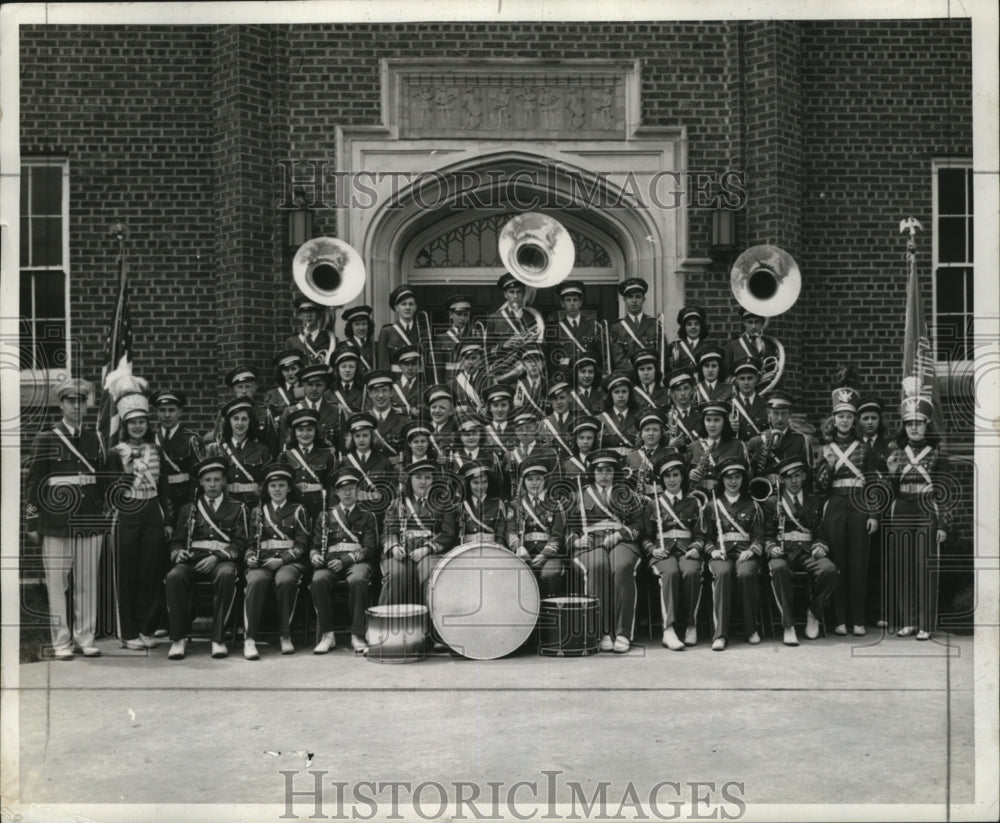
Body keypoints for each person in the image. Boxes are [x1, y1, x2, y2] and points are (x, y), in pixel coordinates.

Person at [25, 379, 105, 659]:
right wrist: (32, 522)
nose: (76, 406)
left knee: (87, 583)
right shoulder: (46, 438)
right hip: (56, 522)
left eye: (81, 401)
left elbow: (101, 480)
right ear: (61, 404)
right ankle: (61, 642)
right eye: (70, 401)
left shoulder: (95, 438)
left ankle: (85, 638)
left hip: (90, 520)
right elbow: (34, 483)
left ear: (86, 405)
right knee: (57, 583)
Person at [105, 368, 174, 651]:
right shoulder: (115, 453)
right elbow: (109, 490)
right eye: (132, 423)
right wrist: (129, 470)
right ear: (124, 423)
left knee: (150, 572)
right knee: (128, 573)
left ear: (148, 424)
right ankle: (128, 630)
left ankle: (147, 628)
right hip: (127, 513)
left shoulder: (155, 450)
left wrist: (168, 519)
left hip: (152, 513)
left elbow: (165, 486)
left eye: (142, 422)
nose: (137, 427)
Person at [165, 457, 249, 660]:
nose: (212, 484)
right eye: (208, 480)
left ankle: (218, 639)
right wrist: (178, 553)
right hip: (193, 560)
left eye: (217, 479)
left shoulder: (238, 507)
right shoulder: (188, 509)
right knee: (174, 576)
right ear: (201, 482)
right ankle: (178, 638)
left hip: (222, 561)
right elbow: (177, 541)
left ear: (224, 482)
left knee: (227, 575)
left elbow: (242, 542)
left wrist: (218, 557)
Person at [813, 386, 879, 637]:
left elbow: (873, 484)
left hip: (859, 504)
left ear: (855, 420)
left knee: (858, 564)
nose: (844, 420)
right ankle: (839, 619)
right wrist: (827, 466)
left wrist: (873, 514)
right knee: (838, 563)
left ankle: (858, 619)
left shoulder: (864, 447)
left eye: (849, 416)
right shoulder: (826, 448)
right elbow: (820, 488)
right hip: (836, 506)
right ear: (833, 418)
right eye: (840, 415)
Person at [884, 396, 951, 641]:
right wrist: (891, 474)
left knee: (924, 566)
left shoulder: (937, 454)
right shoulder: (895, 453)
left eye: (919, 423)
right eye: (909, 422)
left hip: (926, 508)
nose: (914, 427)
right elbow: (889, 492)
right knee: (903, 565)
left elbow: (944, 491)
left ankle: (925, 624)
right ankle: (909, 621)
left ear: (927, 425)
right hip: (902, 507)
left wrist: (942, 523)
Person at [565, 450, 645, 654]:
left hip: (621, 540)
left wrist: (620, 534)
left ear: (614, 472)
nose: (604, 475)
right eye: (599, 470)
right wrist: (576, 540)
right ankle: (601, 632)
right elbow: (566, 530)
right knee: (597, 566)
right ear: (593, 472)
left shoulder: (626, 494)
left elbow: (639, 524)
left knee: (622, 566)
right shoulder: (579, 496)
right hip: (590, 543)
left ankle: (623, 633)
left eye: (608, 470)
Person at [762, 456, 838, 646]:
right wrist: (771, 548)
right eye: (788, 477)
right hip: (783, 552)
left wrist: (820, 545)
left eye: (797, 476)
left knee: (829, 570)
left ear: (804, 476)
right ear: (782, 480)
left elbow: (820, 532)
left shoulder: (814, 501)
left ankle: (814, 612)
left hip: (807, 552)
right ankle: (788, 626)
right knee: (778, 569)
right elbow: (767, 534)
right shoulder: (773, 502)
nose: (793, 481)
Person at [243, 464, 309, 659]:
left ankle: (285, 635)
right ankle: (249, 639)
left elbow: (301, 545)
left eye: (282, 485)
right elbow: (251, 544)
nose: (277, 489)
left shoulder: (298, 510)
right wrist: (250, 557)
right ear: (267, 489)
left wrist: (282, 560)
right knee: (254, 582)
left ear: (289, 488)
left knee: (285, 581)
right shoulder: (258, 511)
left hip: (288, 562)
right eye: (273, 486)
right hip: (263, 561)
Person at [642, 452, 706, 650]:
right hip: (663, 552)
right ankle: (668, 629)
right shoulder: (653, 504)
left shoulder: (694, 502)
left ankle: (690, 624)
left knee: (692, 572)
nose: (672, 480)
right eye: (667, 476)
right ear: (661, 480)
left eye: (676, 475)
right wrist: (652, 550)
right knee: (669, 573)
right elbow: (644, 536)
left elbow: (701, 535)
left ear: (682, 477)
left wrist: (696, 548)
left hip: (687, 551)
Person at [310, 467, 379, 654]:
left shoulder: (368, 516)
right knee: (318, 580)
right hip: (330, 562)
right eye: (343, 489)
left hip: (357, 562)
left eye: (352, 488)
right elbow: (315, 545)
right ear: (337, 492)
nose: (348, 492)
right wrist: (314, 555)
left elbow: (370, 548)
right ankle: (327, 635)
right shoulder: (325, 516)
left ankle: (357, 635)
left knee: (358, 580)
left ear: (358, 491)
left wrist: (346, 559)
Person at [702, 456, 765, 651]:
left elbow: (760, 536)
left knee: (746, 574)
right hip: (721, 554)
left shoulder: (753, 505)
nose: (733, 481)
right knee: (721, 573)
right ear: (722, 480)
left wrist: (751, 550)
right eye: (728, 477)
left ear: (742, 479)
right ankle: (720, 634)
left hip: (745, 553)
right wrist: (712, 552)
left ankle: (751, 629)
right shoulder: (712, 505)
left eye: (737, 477)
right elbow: (703, 537)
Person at [380, 458, 458, 606]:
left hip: (430, 553)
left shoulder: (443, 502)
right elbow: (388, 531)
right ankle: (387, 623)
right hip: (402, 552)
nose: (423, 482)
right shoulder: (398, 503)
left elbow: (448, 533)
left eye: (428, 477)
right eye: (418, 477)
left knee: (428, 572)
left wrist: (427, 549)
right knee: (396, 574)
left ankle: (429, 623)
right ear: (410, 480)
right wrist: (394, 547)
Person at [857, 396, 894, 628]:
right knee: (859, 560)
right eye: (865, 418)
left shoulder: (889, 445)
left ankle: (879, 611)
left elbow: (893, 477)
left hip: (882, 508)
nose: (869, 422)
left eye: (873, 418)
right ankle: (858, 611)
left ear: (880, 421)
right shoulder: (853, 443)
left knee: (879, 560)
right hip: (856, 506)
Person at [506, 460, 568, 598]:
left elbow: (558, 535)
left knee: (550, 574)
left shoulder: (556, 504)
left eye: (539, 479)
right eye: (530, 479)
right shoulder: (515, 505)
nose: (534, 483)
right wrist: (518, 547)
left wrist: (545, 554)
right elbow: (511, 531)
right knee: (519, 577)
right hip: (525, 553)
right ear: (523, 481)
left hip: (550, 555)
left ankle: (551, 616)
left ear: (545, 480)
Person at [207, 397, 273, 509]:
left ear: (250, 422)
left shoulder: (262, 450)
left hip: (253, 505)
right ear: (229, 422)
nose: (240, 423)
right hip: (225, 505)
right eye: (235, 419)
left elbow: (268, 482)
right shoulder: (216, 449)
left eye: (244, 419)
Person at [278, 407, 337, 522]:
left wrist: (330, 510)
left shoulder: (327, 456)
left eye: (309, 429)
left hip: (319, 509)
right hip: (293, 508)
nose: (305, 434)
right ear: (294, 432)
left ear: (316, 431)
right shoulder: (285, 456)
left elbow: (331, 487)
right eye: (300, 430)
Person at [746, 390, 813, 487]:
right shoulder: (757, 441)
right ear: (769, 413)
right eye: (776, 413)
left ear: (789, 414)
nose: (780, 418)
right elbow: (751, 476)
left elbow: (807, 476)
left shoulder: (801, 441)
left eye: (784, 413)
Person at [686, 401, 748, 500]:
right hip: (699, 499)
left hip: (725, 499)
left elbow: (745, 477)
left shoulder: (736, 446)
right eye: (708, 420)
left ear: (725, 422)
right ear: (703, 421)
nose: (712, 425)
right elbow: (685, 481)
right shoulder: (693, 446)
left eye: (717, 420)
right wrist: (690, 475)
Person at [340, 412, 394, 516]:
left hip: (377, 513)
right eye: (357, 436)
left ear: (372, 436)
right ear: (352, 438)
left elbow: (390, 489)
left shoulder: (383, 461)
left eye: (365, 435)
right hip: (353, 514)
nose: (361, 440)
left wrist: (375, 496)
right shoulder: (345, 461)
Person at [278, 364, 341, 449]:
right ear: (303, 386)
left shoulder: (336, 411)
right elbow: (284, 445)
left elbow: (342, 446)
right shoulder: (291, 411)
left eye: (318, 385)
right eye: (310, 384)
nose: (314, 389)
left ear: (324, 386)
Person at [549, 280, 599, 383]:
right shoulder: (556, 329)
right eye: (568, 300)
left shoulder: (593, 326)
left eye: (575, 300)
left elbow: (600, 356)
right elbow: (552, 362)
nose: (572, 304)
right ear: (562, 303)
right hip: (565, 378)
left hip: (587, 378)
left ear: (580, 302)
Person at [609, 278, 659, 370]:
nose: (634, 301)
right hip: (628, 377)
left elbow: (662, 355)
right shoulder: (617, 327)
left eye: (638, 296)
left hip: (651, 375)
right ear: (624, 299)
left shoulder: (655, 324)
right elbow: (618, 359)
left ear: (643, 299)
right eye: (630, 297)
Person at [456, 460, 508, 547]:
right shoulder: (461, 504)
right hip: (467, 553)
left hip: (492, 551)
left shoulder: (497, 504)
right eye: (475, 482)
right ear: (468, 484)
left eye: (484, 482)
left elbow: (501, 535)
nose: (480, 487)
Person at [722, 308, 780, 379]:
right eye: (750, 322)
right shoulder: (733, 344)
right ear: (744, 323)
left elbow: (775, 370)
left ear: (762, 323)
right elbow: (725, 372)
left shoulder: (768, 345)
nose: (753, 326)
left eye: (757, 322)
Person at [364, 369, 410, 458]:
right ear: (369, 394)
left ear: (391, 393)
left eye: (384, 390)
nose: (380, 395)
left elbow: (407, 453)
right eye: (376, 391)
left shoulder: (404, 421)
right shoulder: (364, 420)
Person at [377, 285, 423, 373]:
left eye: (411, 304)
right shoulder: (387, 331)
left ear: (415, 307)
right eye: (403, 304)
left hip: (417, 381)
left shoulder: (423, 331)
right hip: (396, 382)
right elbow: (383, 365)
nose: (407, 307)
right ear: (396, 308)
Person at [625, 409, 670, 499]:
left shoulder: (669, 454)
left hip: (663, 500)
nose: (651, 433)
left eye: (655, 430)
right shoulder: (632, 456)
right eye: (647, 430)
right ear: (641, 434)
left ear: (661, 433)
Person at [728, 357, 769, 442]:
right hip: (737, 452)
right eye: (742, 378)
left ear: (756, 379)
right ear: (736, 380)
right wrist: (728, 428)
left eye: (750, 378)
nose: (746, 382)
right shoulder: (729, 405)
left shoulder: (765, 404)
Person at [598, 371, 638, 456]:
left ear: (629, 393)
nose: (620, 395)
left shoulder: (638, 417)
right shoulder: (601, 419)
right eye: (616, 392)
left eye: (624, 391)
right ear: (610, 395)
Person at [436, 294, 475, 381]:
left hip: (470, 383)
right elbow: (438, 369)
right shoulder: (442, 338)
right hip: (450, 383)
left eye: (466, 314)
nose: (462, 318)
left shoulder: (475, 336)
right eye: (459, 314)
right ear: (450, 314)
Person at [285, 296, 333, 364]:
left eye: (312, 311)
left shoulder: (330, 339)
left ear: (319, 314)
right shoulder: (292, 341)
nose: (308, 315)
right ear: (300, 315)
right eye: (304, 311)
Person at [263, 349, 305, 421]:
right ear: (281, 372)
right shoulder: (272, 394)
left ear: (300, 369)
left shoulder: (308, 390)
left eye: (293, 369)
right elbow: (269, 420)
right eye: (286, 370)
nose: (290, 373)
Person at [664, 366, 700, 450]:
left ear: (692, 390)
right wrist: (670, 446)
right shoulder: (666, 417)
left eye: (686, 388)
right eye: (678, 390)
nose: (683, 393)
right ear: (672, 394)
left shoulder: (701, 415)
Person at [328, 346, 365, 426]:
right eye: (343, 366)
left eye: (351, 367)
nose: (347, 370)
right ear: (337, 369)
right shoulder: (328, 393)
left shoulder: (364, 390)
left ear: (356, 369)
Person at [450, 340, 488, 415]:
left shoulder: (489, 380)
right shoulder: (453, 384)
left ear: (480, 360)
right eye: (467, 358)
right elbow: (450, 408)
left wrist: (488, 409)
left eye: (474, 358)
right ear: (462, 361)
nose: (470, 362)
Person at [540, 381, 576, 460]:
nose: (559, 402)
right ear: (550, 401)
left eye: (562, 398)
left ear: (570, 398)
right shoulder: (543, 424)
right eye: (555, 399)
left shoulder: (577, 421)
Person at [670, 305, 709, 370]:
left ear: (701, 327)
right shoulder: (674, 347)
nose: (693, 327)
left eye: (696, 324)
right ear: (684, 328)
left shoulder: (707, 349)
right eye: (689, 324)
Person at [340, 305, 376, 375]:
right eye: (357, 324)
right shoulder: (343, 346)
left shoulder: (376, 346)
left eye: (364, 324)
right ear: (351, 327)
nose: (361, 328)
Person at [511, 348, 548, 415]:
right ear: (524, 365)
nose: (533, 365)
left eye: (537, 361)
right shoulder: (515, 387)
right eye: (529, 361)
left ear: (543, 363)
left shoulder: (549, 385)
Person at [561, 416, 600, 480]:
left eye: (589, 438)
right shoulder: (567, 464)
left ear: (594, 440)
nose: (585, 442)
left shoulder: (599, 462)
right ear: (576, 440)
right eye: (581, 438)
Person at [425, 384, 457, 461]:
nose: (437, 411)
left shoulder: (455, 431)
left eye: (442, 408)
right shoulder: (423, 430)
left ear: (450, 411)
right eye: (433, 407)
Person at [391, 344, 425, 416]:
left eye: (413, 364)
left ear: (419, 365)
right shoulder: (392, 388)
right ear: (400, 366)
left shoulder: (425, 388)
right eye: (406, 364)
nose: (410, 368)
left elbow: (426, 411)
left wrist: (403, 410)